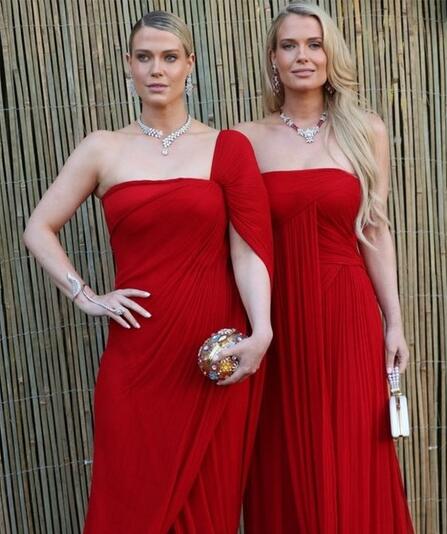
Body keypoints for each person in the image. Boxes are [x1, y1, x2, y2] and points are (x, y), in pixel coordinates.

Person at [21, 11, 273, 533]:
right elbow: (38, 228)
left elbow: (249, 252)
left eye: (169, 57)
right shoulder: (103, 148)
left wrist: (262, 331)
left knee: (210, 510)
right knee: (128, 506)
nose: (156, 69)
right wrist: (85, 294)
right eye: (144, 57)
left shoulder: (227, 148)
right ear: (128, 66)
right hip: (135, 359)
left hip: (212, 357)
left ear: (190, 66)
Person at [234, 3, 414, 532]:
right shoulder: (244, 140)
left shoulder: (367, 131)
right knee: (282, 451)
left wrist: (394, 321)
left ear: (331, 54)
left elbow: (375, 229)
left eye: (314, 44)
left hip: (347, 313)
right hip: (276, 317)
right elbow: (238, 242)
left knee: (354, 445)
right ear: (273, 58)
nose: (303, 56)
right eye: (289, 46)